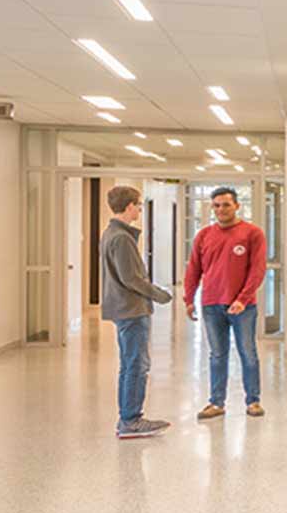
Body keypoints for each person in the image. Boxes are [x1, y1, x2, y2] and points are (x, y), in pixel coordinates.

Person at [182, 187, 266, 420]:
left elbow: (257, 270)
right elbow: (193, 270)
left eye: (226, 205)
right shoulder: (204, 235)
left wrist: (242, 299)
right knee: (217, 354)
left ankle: (253, 401)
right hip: (212, 305)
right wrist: (189, 299)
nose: (221, 209)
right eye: (216, 205)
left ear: (237, 206)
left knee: (247, 353)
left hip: (243, 307)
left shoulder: (252, 234)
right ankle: (216, 403)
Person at [98, 186, 172, 440]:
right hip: (130, 309)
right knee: (136, 365)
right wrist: (158, 294)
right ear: (129, 206)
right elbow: (131, 278)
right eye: (138, 205)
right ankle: (130, 420)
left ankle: (128, 417)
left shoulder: (113, 234)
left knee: (131, 364)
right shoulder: (121, 238)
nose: (140, 209)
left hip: (124, 308)